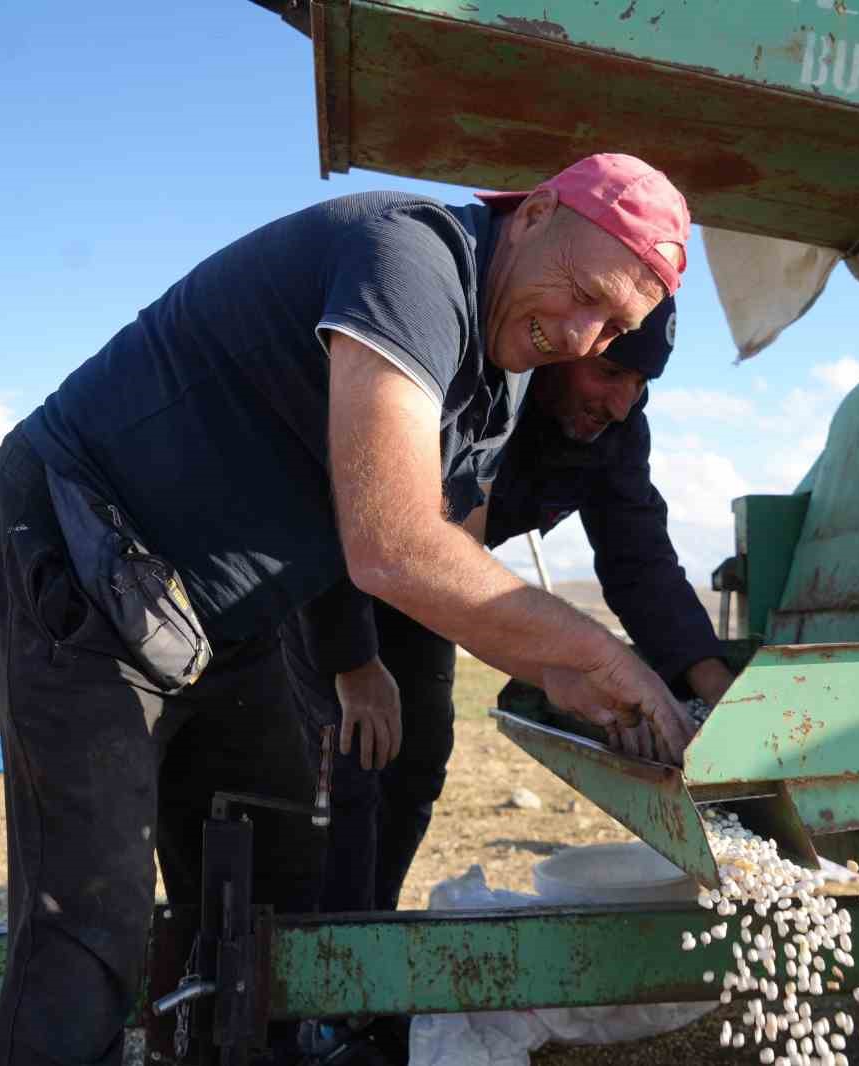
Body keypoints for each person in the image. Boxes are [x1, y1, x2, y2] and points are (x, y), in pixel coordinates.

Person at [0, 152, 700, 1066]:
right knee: (88, 922)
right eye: (585, 294)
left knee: (271, 894)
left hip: (222, 613)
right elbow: (393, 546)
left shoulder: (503, 378)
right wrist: (605, 656)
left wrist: (570, 679)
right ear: (537, 212)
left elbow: (454, 564)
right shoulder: (410, 259)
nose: (583, 335)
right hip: (81, 546)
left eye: (614, 325)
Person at [280, 295, 733, 1019]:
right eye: (610, 372)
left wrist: (712, 687)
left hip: (439, 587)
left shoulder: (616, 432)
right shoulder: (481, 386)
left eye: (639, 385)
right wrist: (354, 662)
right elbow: (344, 511)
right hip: (340, 570)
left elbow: (638, 559)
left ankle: (373, 953)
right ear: (570, 342)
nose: (620, 404)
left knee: (419, 760)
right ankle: (318, 989)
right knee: (350, 770)